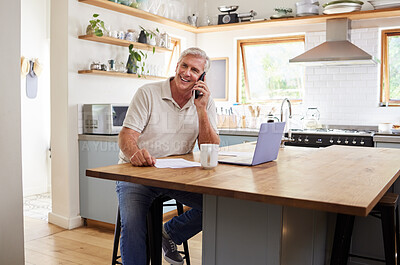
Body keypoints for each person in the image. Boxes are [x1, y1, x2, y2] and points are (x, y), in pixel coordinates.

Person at [117, 47, 220, 265]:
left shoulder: (206, 102)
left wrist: (200, 109)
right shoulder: (148, 93)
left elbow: (210, 148)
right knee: (134, 223)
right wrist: (135, 154)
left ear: (202, 76)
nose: (187, 73)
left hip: (177, 175)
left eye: (194, 69)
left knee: (220, 204)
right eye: (184, 65)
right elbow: (126, 135)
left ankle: (171, 233)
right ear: (176, 66)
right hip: (138, 174)